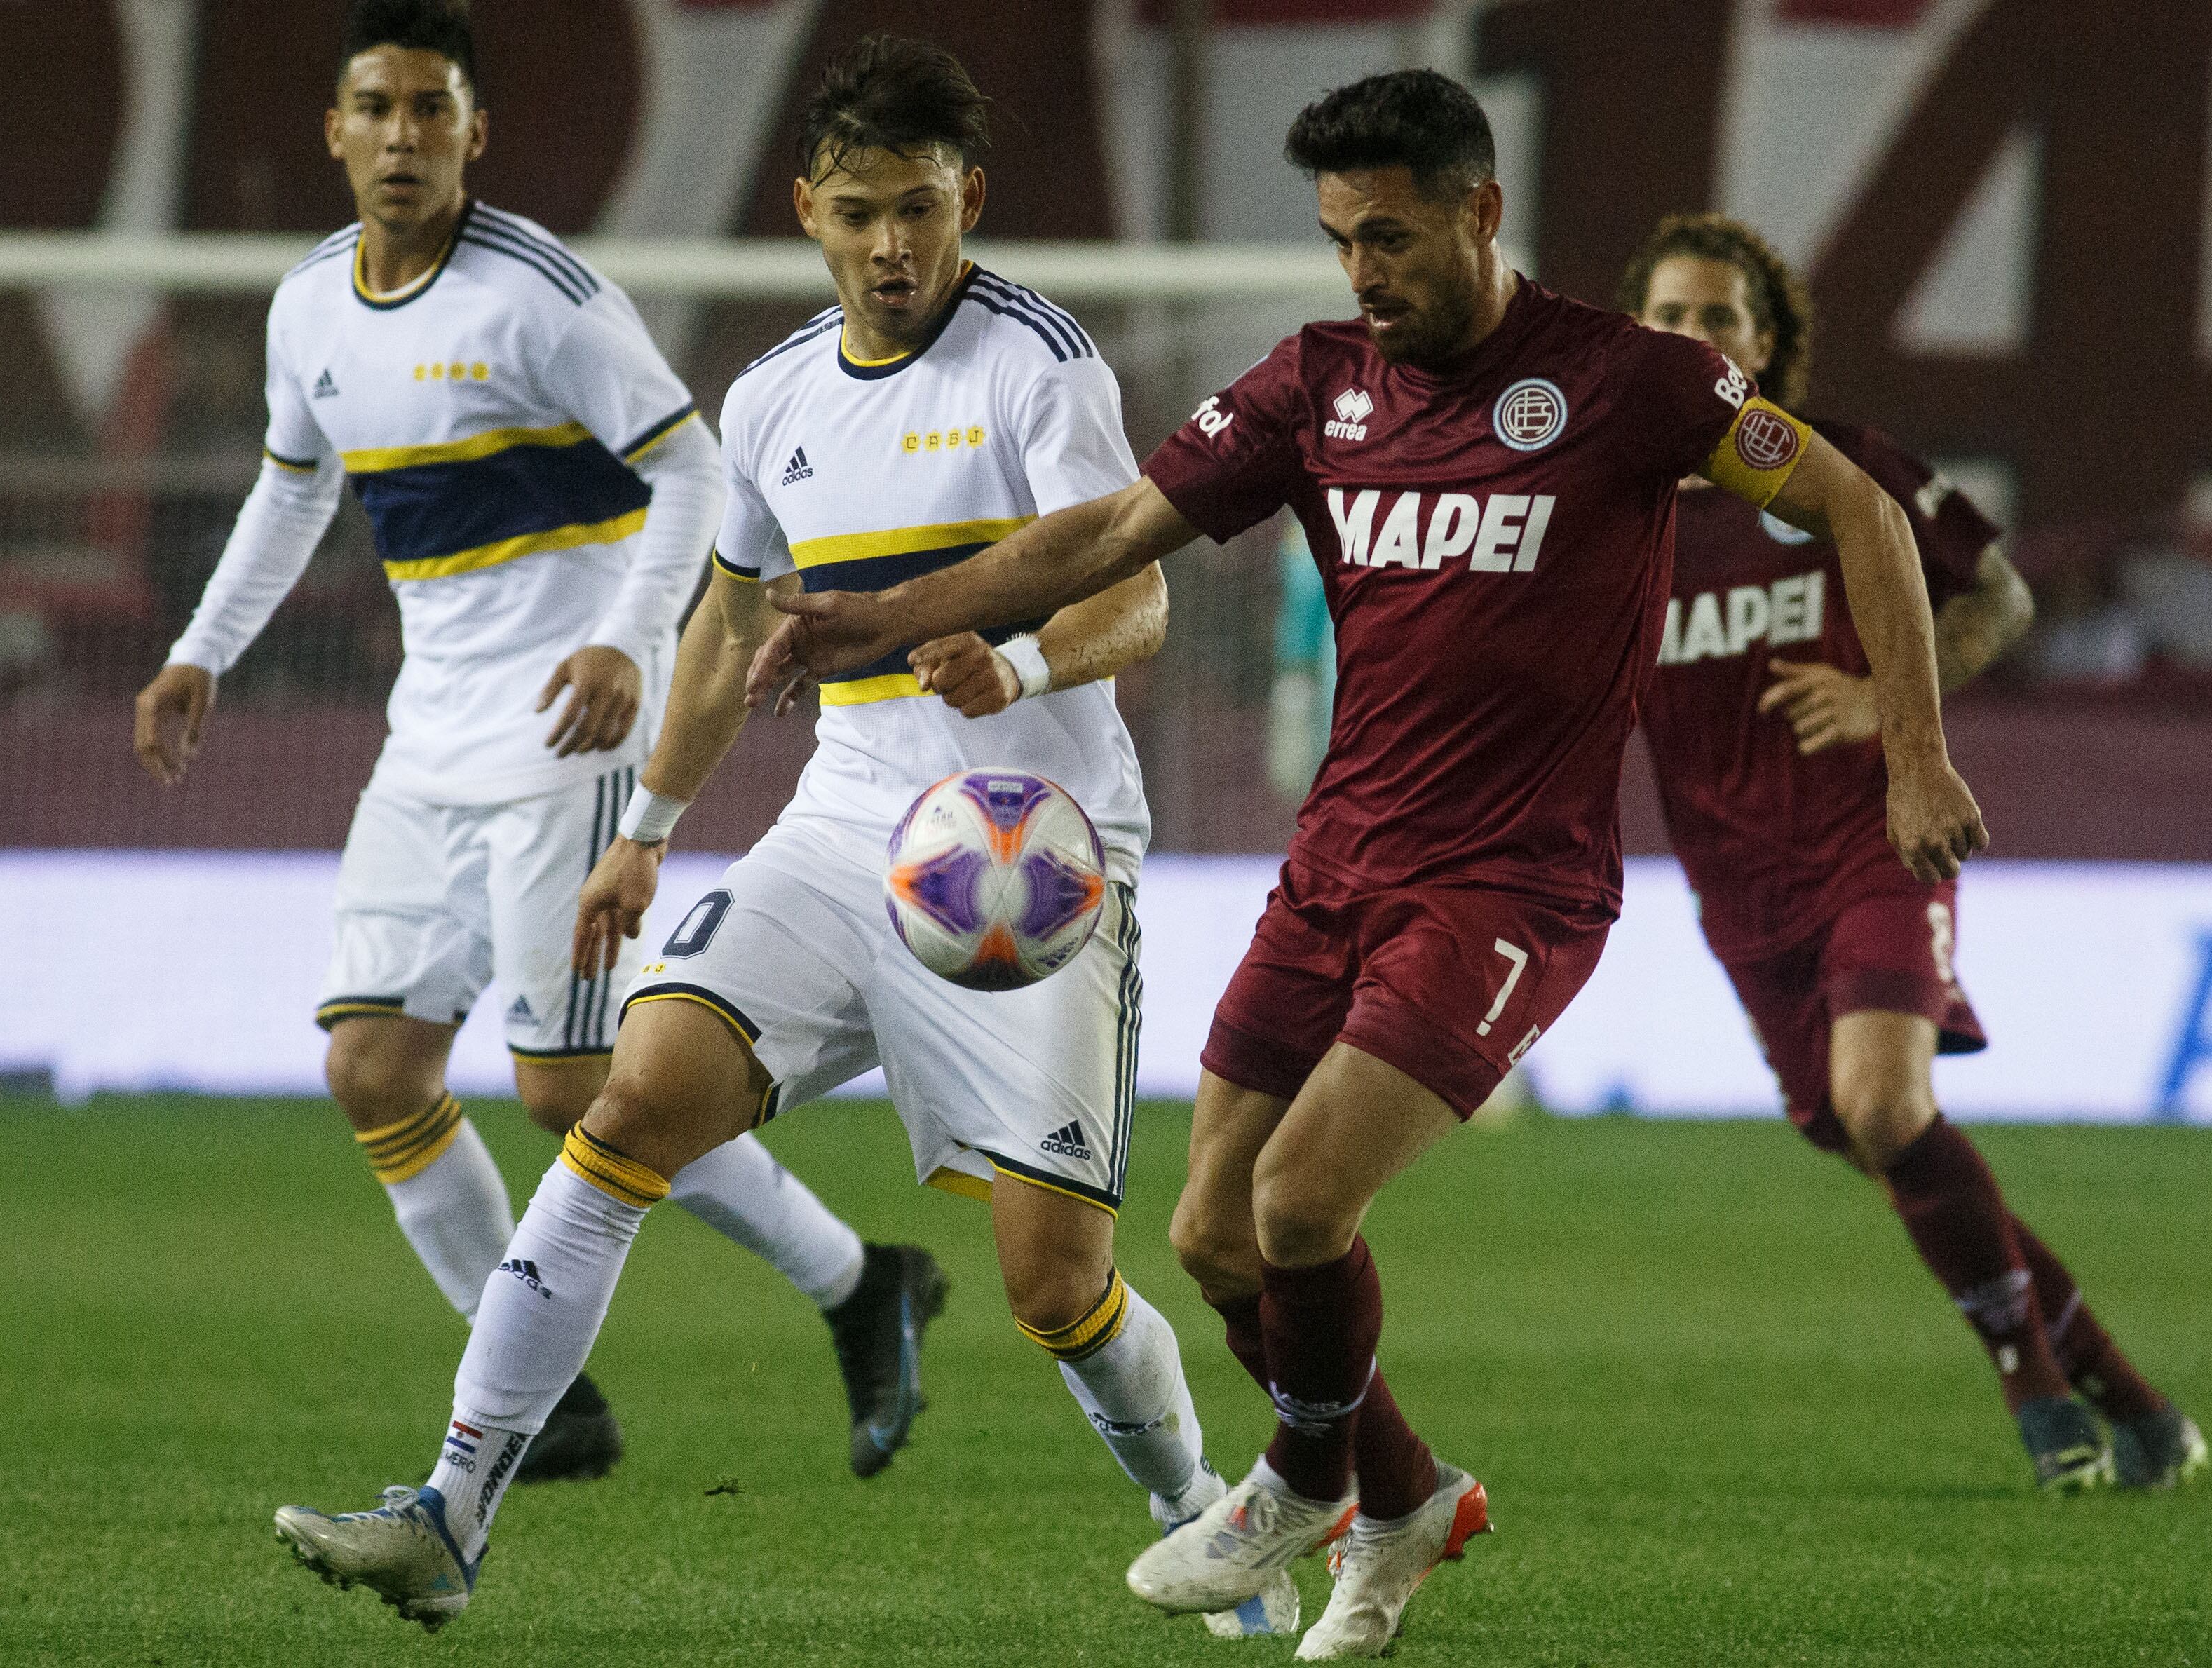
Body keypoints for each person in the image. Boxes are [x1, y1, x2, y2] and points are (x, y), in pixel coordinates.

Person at [750, 69, 1988, 1660]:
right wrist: (901, 611)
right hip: (1335, 862)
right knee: (1206, 1234)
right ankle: (1404, 1502)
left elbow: (1863, 510)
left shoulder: (1637, 384)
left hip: (1511, 885)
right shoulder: (1316, 383)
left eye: (1390, 237)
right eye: (1341, 240)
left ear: (1480, 212)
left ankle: (1301, 1474)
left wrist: (1915, 745)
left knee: (1298, 1196)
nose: (1363, 273)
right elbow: (1110, 531)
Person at [269, 35, 1299, 1641]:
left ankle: (1204, 1516)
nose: (897, 246)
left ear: (973, 202)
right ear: (807, 209)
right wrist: (651, 829)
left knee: (1052, 1286)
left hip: (1030, 858)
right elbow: (724, 628)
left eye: (926, 210)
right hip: (839, 833)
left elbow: (1136, 587)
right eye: (865, 213)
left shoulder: (1041, 365)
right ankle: (451, 1512)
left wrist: (1016, 659)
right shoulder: (773, 398)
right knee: (623, 1107)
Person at [133, 0, 933, 1493]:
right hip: (425, 742)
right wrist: (198, 650)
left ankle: (860, 1278)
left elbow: (692, 466)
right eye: (375, 108)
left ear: (473, 135)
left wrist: (628, 645)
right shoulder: (309, 305)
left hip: (568, 744)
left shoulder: (540, 298)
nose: (401, 138)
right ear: (335, 129)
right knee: (373, 1062)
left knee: (572, 1091)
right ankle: (546, 1397)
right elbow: (293, 491)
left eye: (431, 111)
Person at [1622, 212, 2202, 1492]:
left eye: (1717, 316)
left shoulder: (1835, 470)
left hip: (1872, 839)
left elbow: (1998, 593)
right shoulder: (1617, 525)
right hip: (1737, 893)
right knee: (1879, 1138)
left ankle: (2040, 1398)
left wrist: (1894, 701)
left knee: (1886, 1106)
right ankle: (2141, 1408)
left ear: (1761, 345)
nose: (1690, 336)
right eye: (1667, 315)